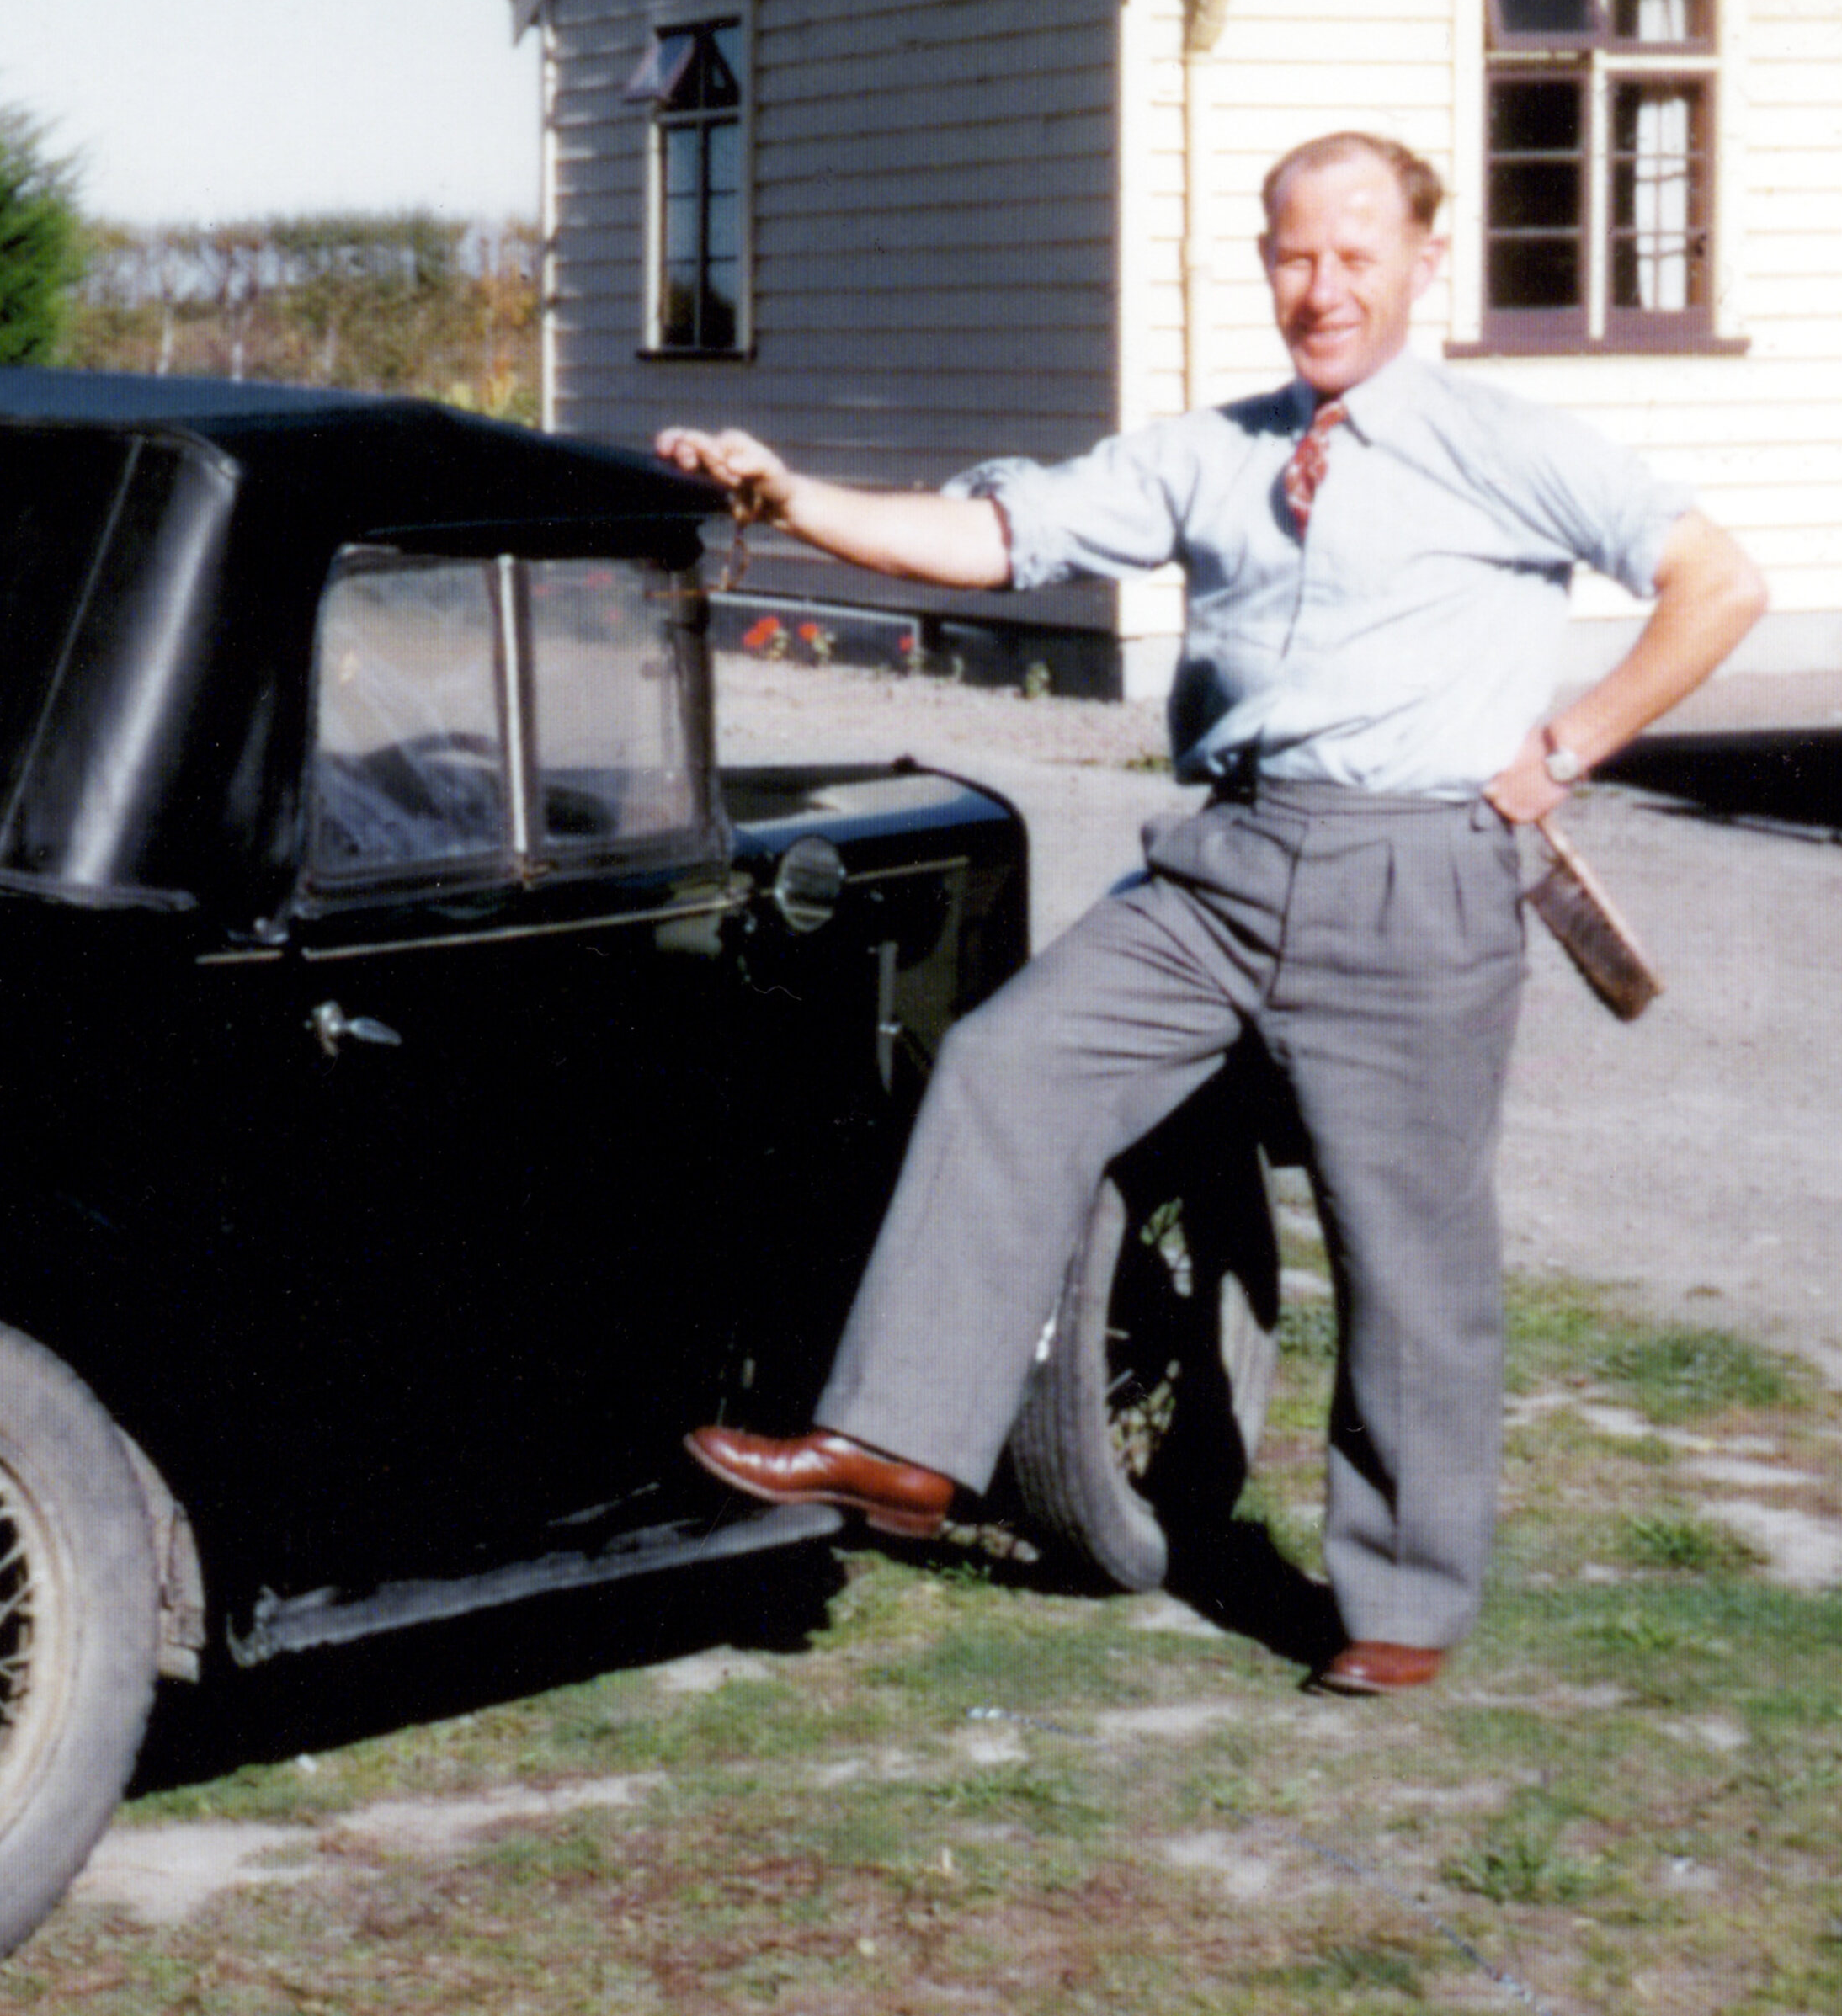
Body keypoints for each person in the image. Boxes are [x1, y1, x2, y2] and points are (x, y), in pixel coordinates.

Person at [658, 130, 1768, 1696]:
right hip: (1227, 867)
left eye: (1357, 258)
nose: (1322, 292)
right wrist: (792, 490)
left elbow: (1716, 581)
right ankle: (902, 1441)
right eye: (1294, 258)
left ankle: (1401, 1603)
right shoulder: (1216, 451)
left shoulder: (1508, 442)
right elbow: (994, 536)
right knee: (1007, 1064)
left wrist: (1567, 747)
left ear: (1426, 262)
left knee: (1410, 1250)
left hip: (1415, 873)